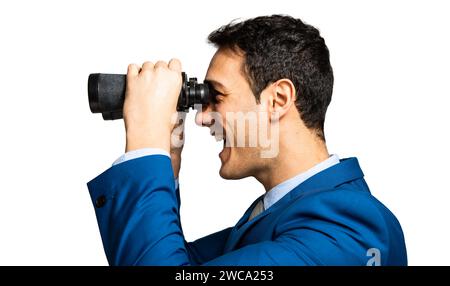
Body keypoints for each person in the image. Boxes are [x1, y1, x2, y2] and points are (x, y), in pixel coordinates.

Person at [88, 15, 407, 265]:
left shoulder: (346, 228)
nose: (201, 117)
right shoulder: (282, 213)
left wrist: (147, 146)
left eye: (217, 96)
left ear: (278, 99)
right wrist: (165, 161)